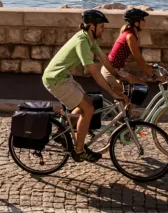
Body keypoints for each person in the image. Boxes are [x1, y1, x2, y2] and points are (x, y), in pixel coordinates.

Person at [42, 9, 129, 163]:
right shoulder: (82, 42)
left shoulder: (90, 40)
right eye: (101, 27)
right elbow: (95, 72)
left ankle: (61, 134)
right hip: (55, 79)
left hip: (64, 77)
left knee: (86, 104)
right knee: (88, 108)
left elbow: (104, 59)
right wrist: (112, 92)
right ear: (92, 27)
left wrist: (117, 77)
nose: (103, 30)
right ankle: (79, 150)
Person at [103, 8, 155, 89]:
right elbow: (139, 60)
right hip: (112, 72)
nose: (145, 22)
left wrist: (147, 65)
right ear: (136, 23)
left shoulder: (129, 33)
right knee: (142, 87)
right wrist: (154, 76)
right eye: (143, 20)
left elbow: (140, 59)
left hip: (115, 70)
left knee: (136, 91)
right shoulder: (130, 36)